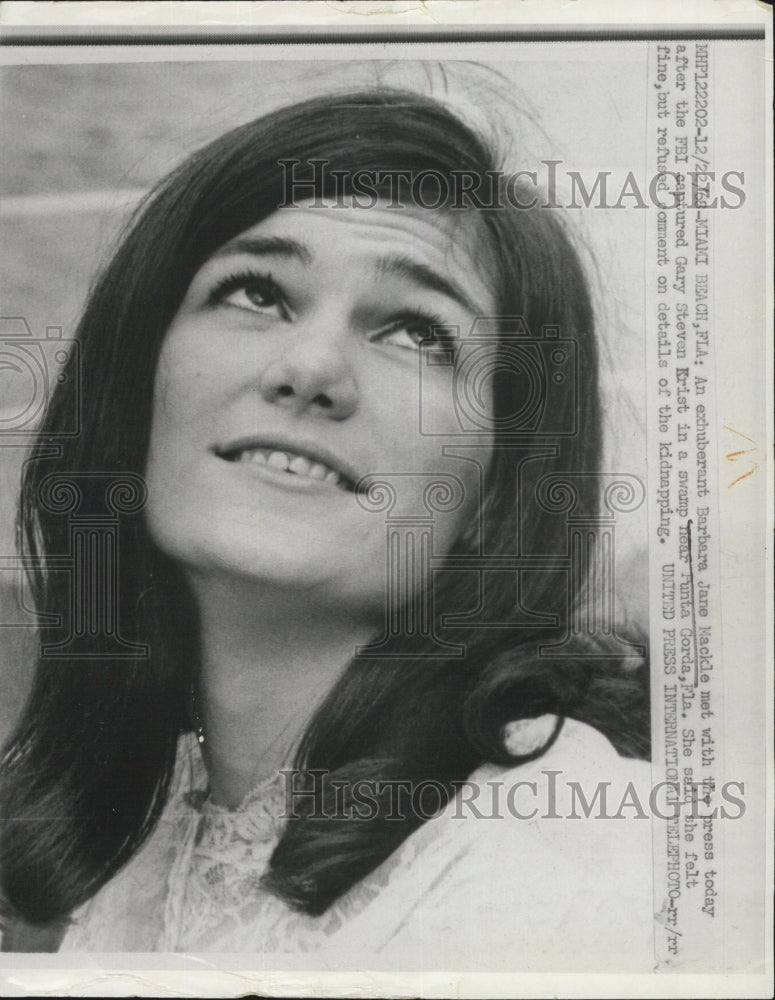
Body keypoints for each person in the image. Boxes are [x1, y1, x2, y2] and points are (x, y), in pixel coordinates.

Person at [0, 88, 652, 964]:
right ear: (137, 385)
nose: (308, 368)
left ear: (497, 492)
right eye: (256, 292)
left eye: (419, 333)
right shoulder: (118, 844)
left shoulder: (578, 882)